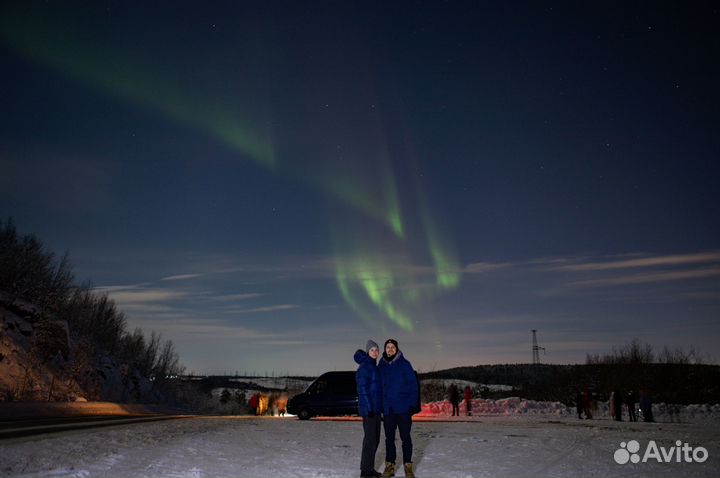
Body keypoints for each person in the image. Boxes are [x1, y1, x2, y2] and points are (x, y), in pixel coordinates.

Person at [379, 339, 418, 478]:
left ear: (396, 349)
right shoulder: (381, 365)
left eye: (392, 347)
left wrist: (412, 405)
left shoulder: (404, 364)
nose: (390, 349)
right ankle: (390, 466)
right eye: (387, 347)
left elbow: (413, 385)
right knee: (389, 439)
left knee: (405, 438)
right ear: (385, 349)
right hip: (388, 410)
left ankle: (408, 466)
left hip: (403, 409)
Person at [355, 340, 383, 478]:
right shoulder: (365, 367)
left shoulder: (374, 367)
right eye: (372, 350)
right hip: (369, 410)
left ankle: (369, 468)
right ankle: (365, 472)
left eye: (376, 350)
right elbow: (363, 390)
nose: (375, 352)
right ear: (367, 351)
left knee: (375, 440)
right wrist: (370, 408)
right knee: (370, 440)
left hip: (376, 410)